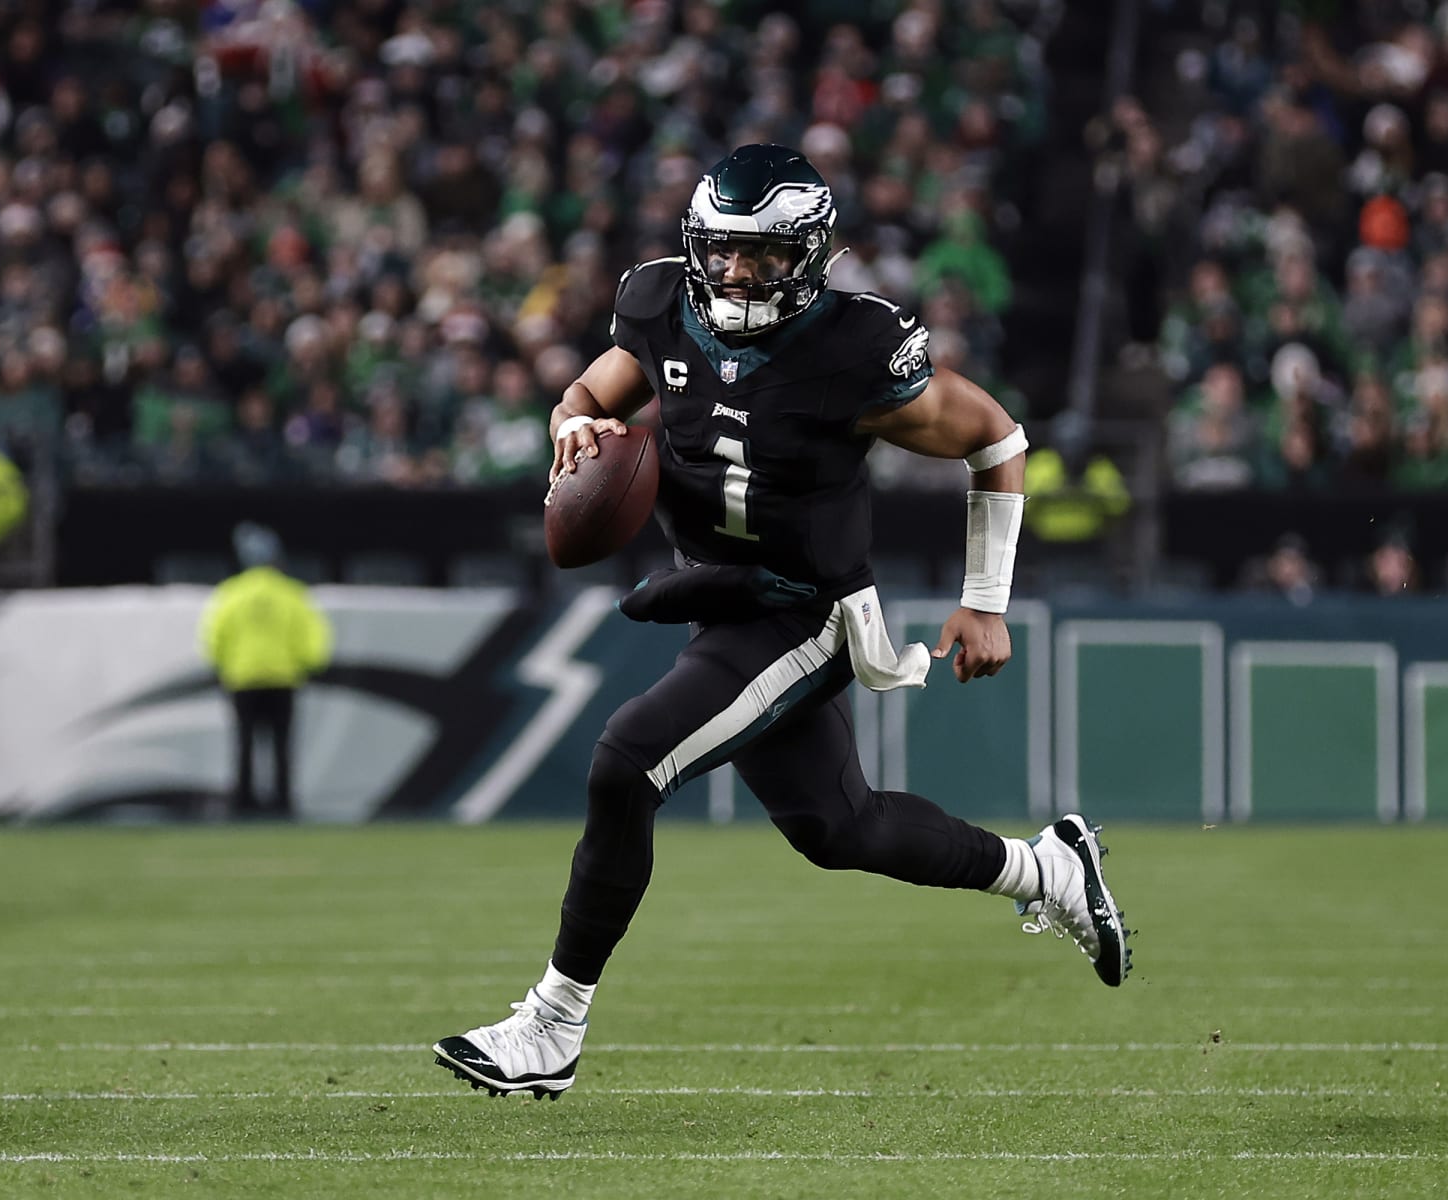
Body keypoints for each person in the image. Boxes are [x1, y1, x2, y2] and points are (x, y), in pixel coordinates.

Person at [433, 145, 1131, 1100]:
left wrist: (986, 600)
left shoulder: (851, 349)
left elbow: (996, 438)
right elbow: (591, 393)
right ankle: (1047, 870)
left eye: (760, 256)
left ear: (809, 255)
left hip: (804, 609)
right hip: (721, 599)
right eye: (720, 251)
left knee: (629, 761)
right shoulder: (657, 305)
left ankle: (552, 1025)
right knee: (840, 827)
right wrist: (571, 429)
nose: (733, 274)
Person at [198, 523, 333, 818]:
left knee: (244, 744)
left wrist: (221, 664)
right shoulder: (292, 593)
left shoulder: (232, 593)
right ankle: (282, 803)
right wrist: (310, 664)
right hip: (283, 678)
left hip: (242, 678)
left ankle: (243, 803)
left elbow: (214, 635)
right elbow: (312, 636)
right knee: (282, 746)